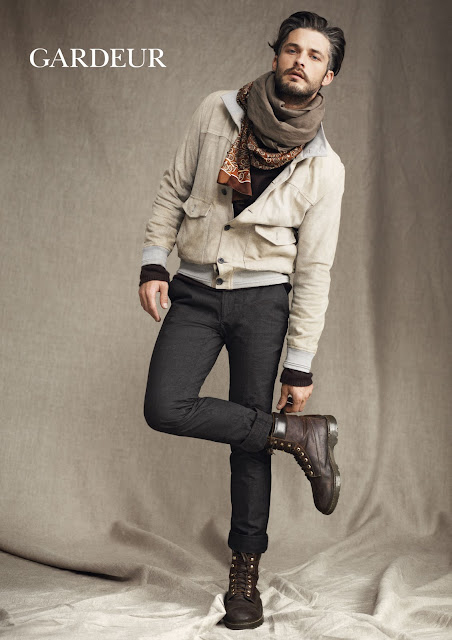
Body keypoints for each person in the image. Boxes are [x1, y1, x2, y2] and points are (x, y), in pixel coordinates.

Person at [138, 11, 346, 631]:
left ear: (327, 76)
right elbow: (174, 186)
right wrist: (153, 261)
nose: (300, 61)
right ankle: (293, 433)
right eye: (292, 49)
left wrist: (299, 364)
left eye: (314, 56)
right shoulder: (218, 111)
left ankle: (245, 577)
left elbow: (315, 269)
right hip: (195, 290)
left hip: (263, 303)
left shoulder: (324, 167)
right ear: (276, 55)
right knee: (166, 405)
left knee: (247, 441)